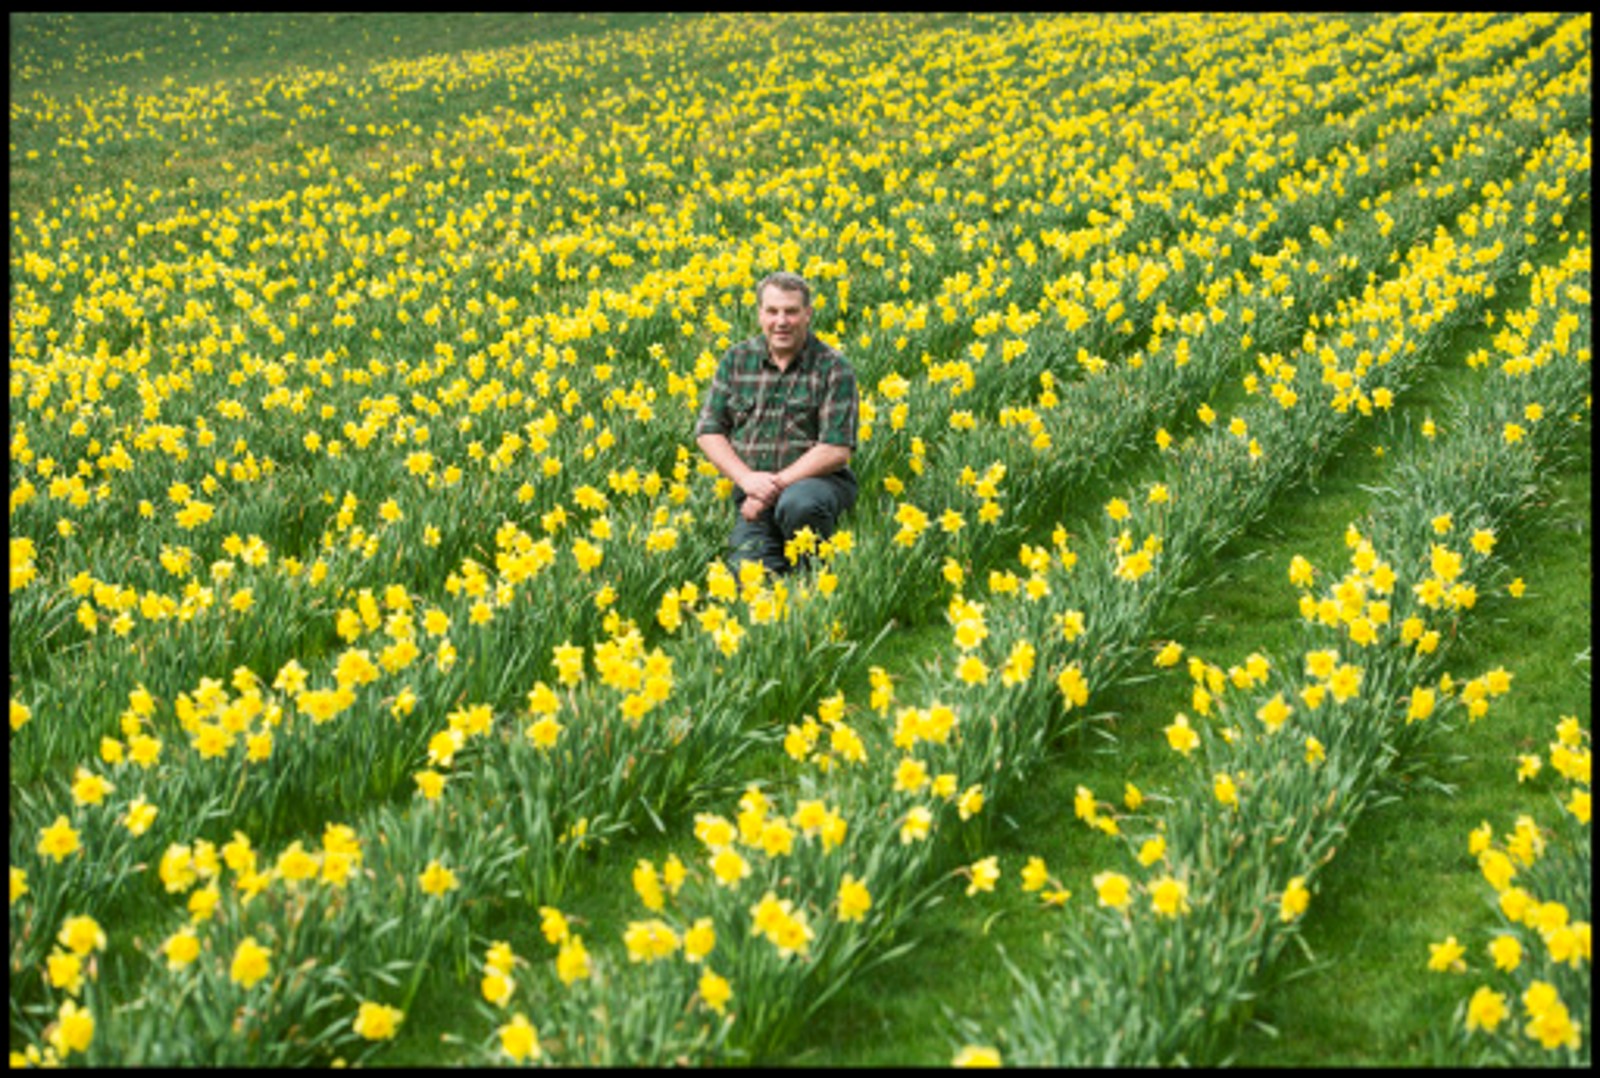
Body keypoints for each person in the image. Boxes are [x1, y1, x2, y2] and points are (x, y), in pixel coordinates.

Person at [694, 271, 858, 577]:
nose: (781, 321)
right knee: (751, 577)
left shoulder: (833, 367)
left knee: (799, 504)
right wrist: (746, 481)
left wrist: (771, 488)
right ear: (760, 314)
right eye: (772, 311)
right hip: (752, 491)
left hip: (816, 486)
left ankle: (814, 576)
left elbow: (836, 449)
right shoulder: (737, 360)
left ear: (807, 314)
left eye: (791, 311)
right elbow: (708, 430)